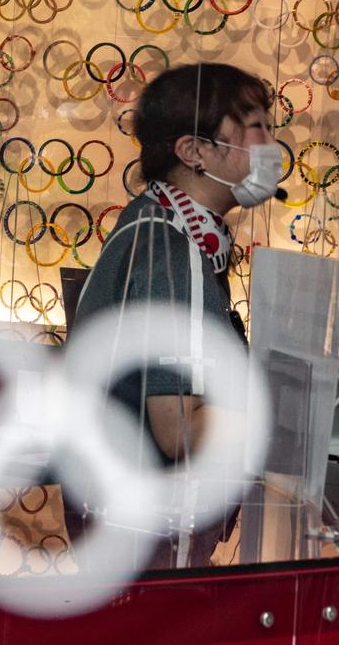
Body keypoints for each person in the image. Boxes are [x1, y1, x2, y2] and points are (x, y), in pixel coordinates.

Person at [66, 62, 282, 568]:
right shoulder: (172, 248)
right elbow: (180, 433)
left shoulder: (154, 222)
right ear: (193, 151)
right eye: (257, 128)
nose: (272, 146)